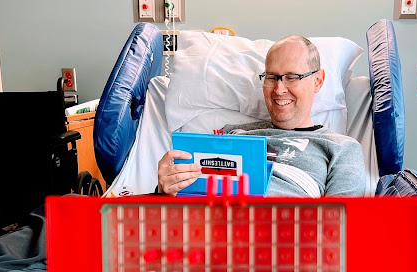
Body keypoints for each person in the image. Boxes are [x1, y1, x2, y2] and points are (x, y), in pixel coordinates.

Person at [156, 35, 366, 198]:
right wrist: (165, 189)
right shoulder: (231, 134)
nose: (279, 90)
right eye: (272, 77)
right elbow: (190, 197)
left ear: (318, 81)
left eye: (291, 77)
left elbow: (343, 225)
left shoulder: (341, 148)